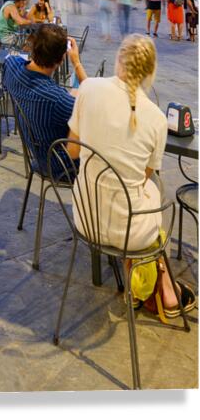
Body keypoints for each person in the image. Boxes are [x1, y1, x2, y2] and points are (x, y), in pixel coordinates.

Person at [67, 35, 196, 316]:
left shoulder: (88, 89)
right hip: (130, 234)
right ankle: (158, 286)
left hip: (85, 217)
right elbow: (143, 176)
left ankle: (147, 286)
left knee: (143, 196)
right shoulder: (158, 120)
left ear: (118, 59)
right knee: (154, 195)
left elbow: (72, 152)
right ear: (150, 72)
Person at [3, 25, 87, 173]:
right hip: (62, 166)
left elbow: (11, 58)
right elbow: (92, 103)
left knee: (74, 93)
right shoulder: (58, 100)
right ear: (61, 60)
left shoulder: (11, 67)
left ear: (33, 48)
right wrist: (77, 63)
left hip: (38, 154)